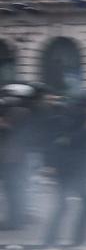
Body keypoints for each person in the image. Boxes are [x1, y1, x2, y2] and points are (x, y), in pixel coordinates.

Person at [40, 90, 86, 250]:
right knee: (62, 205)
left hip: (81, 168)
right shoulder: (64, 119)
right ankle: (49, 245)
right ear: (85, 106)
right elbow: (63, 142)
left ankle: (79, 243)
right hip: (63, 168)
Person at [0, 83, 38, 232]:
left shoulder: (17, 112)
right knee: (16, 188)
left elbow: (9, 131)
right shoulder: (25, 111)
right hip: (16, 156)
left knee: (13, 189)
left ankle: (14, 220)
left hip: (10, 156)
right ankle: (17, 218)